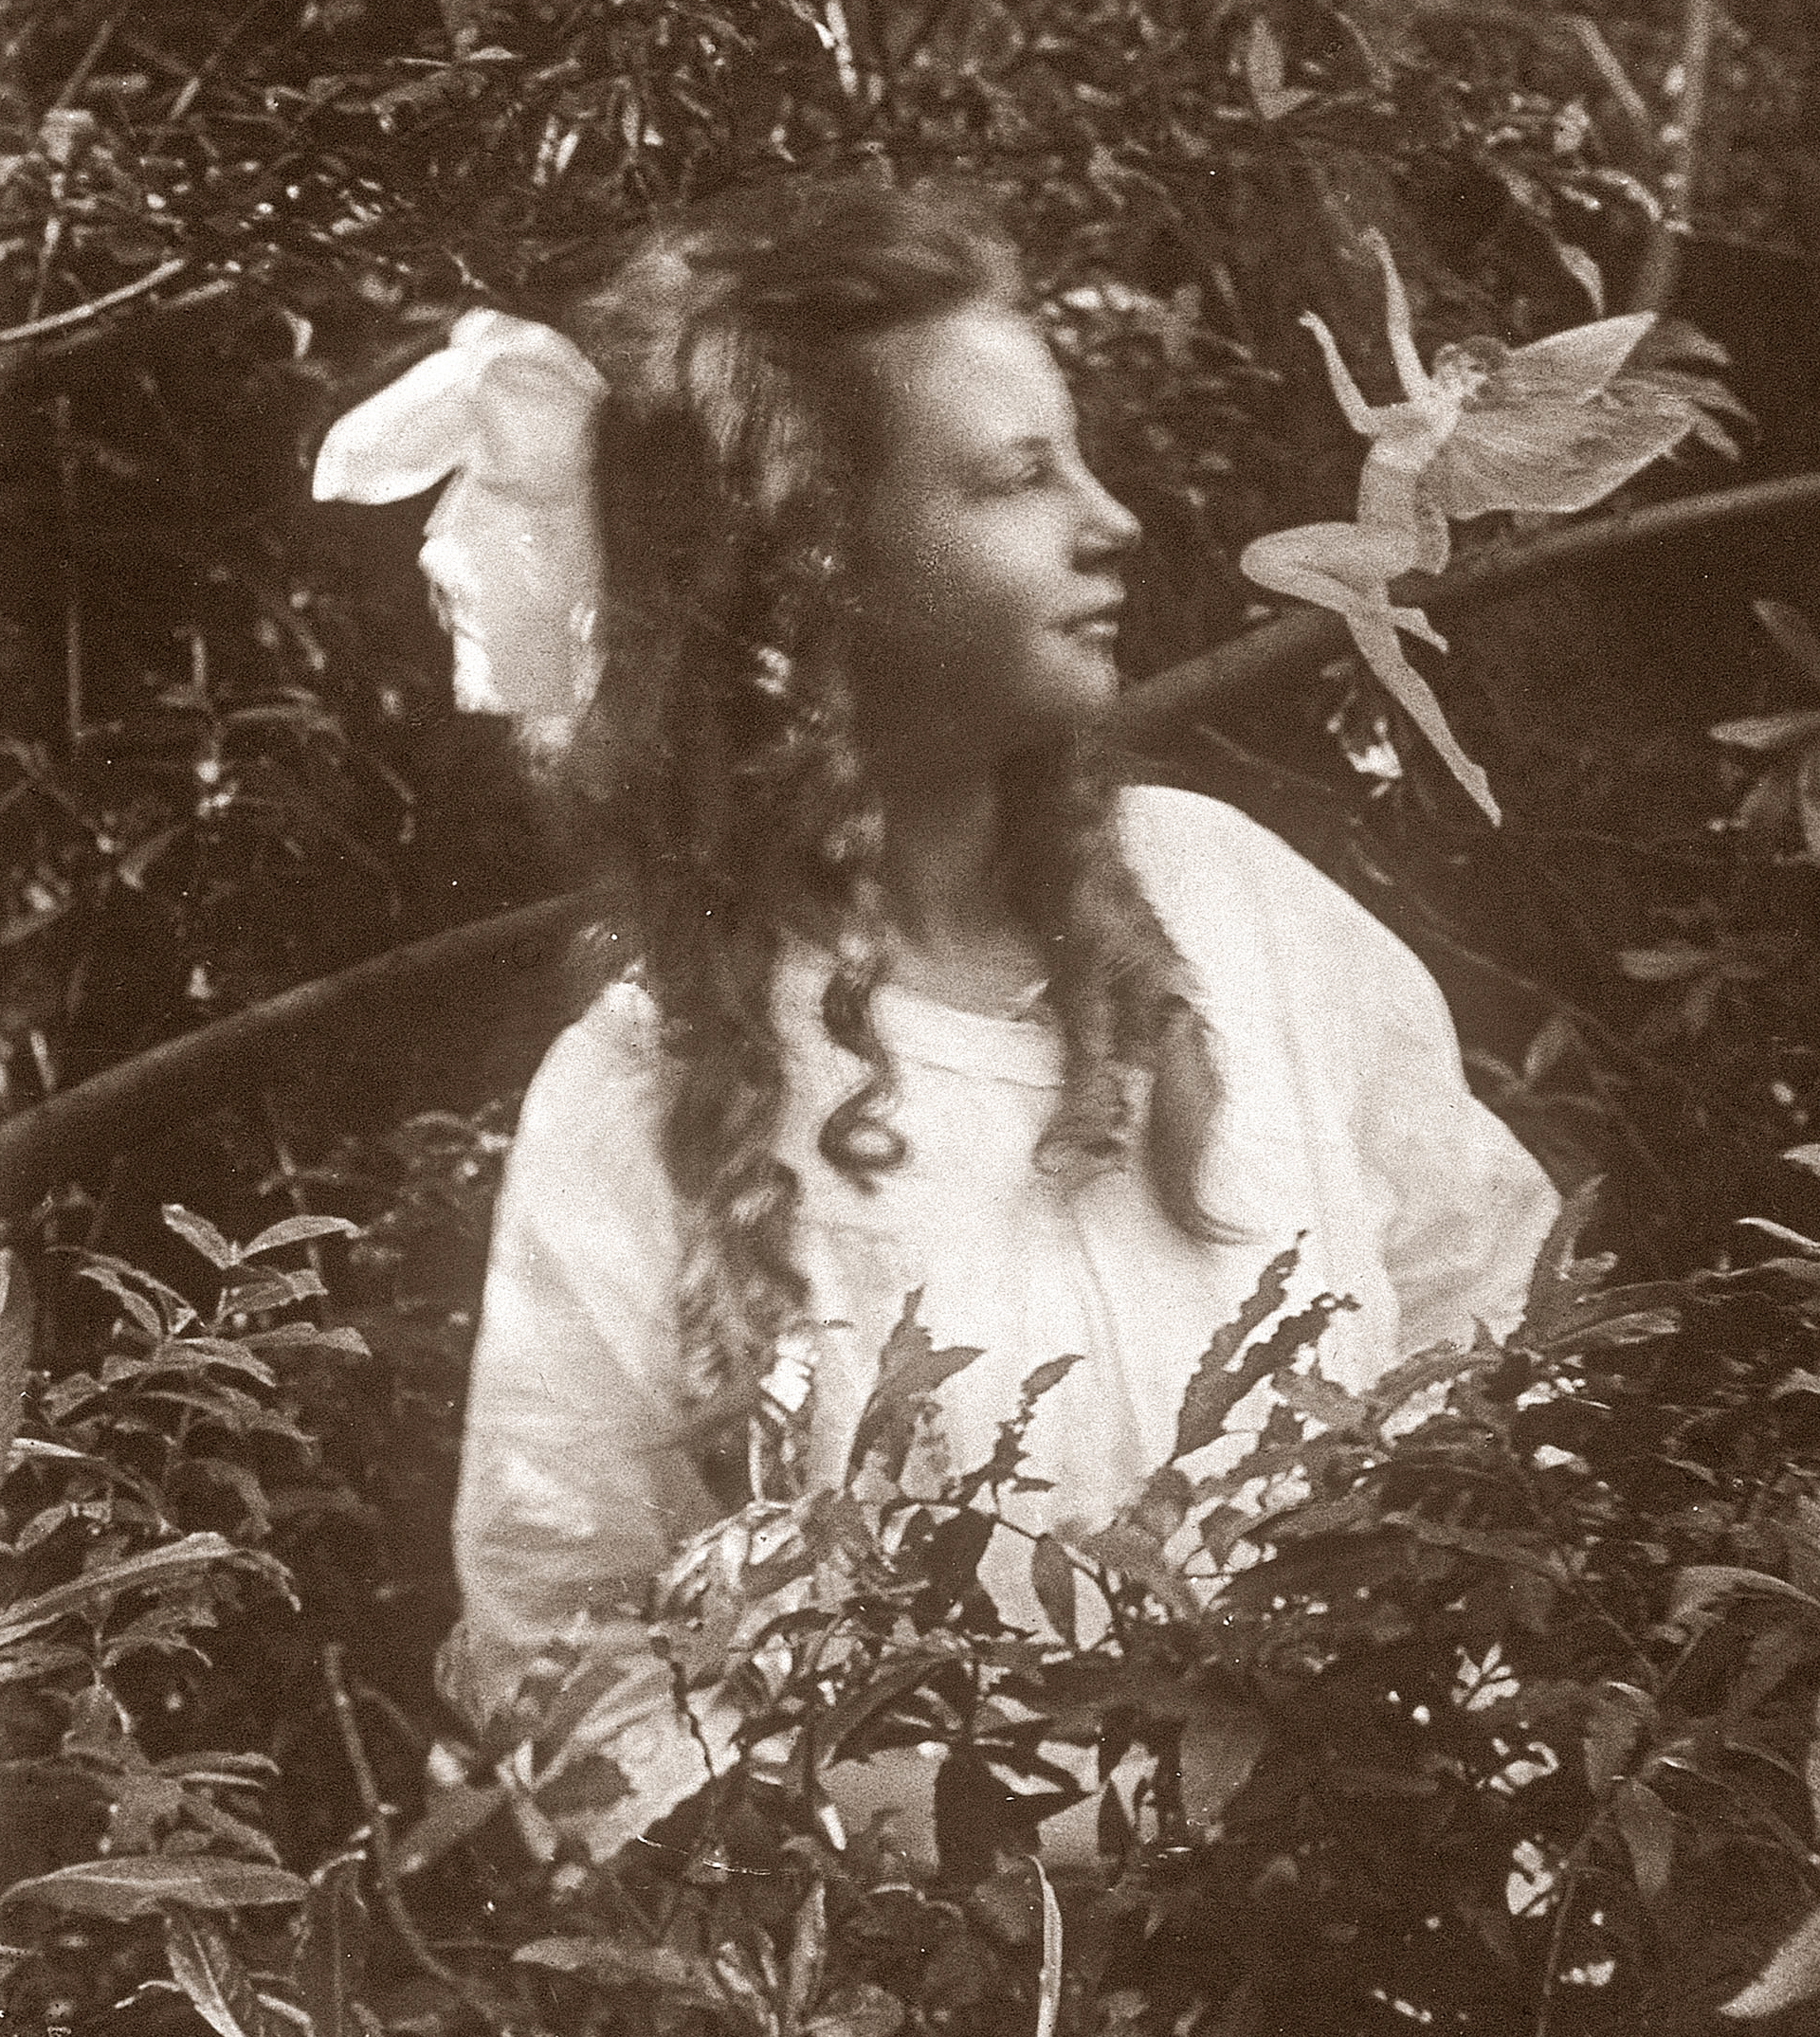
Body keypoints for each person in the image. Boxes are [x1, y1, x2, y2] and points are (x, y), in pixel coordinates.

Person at [321, 174, 1559, 1862]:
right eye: (1012, 476)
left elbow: (1485, 1319)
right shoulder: (637, 1091)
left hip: (1390, 1907)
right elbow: (574, 1657)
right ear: (807, 572)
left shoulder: (1239, 912)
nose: (1109, 519)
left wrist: (1444, 1767)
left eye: (1077, 456)